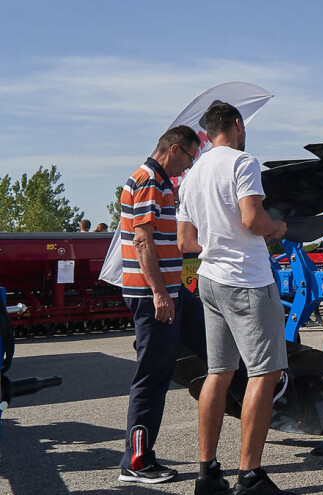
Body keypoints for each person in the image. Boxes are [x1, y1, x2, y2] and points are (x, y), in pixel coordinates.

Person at [177, 102, 290, 495]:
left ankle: (207, 474)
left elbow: (185, 242)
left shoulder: (191, 176)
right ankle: (250, 476)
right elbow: (252, 221)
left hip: (209, 281)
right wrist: (277, 227)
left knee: (218, 373)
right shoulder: (243, 163)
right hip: (247, 281)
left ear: (207, 133)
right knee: (265, 372)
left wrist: (215, 242)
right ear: (237, 126)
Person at [117, 125, 203, 485]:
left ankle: (266, 394)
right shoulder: (149, 179)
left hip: (172, 291)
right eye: (188, 158)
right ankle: (136, 462)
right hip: (154, 295)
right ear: (173, 148)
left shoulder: (162, 182)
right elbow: (142, 239)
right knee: (152, 377)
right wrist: (159, 293)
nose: (187, 167)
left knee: (213, 344)